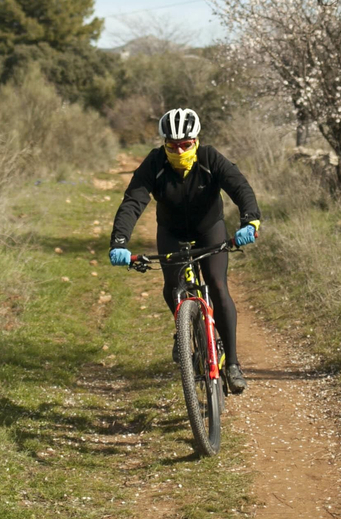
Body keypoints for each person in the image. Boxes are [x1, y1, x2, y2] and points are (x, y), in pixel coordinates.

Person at [108, 107, 260, 394]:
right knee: (172, 286)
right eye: (172, 145)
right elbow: (133, 201)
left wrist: (250, 221)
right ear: (164, 144)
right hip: (172, 232)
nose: (179, 150)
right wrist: (119, 242)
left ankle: (234, 365)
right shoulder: (154, 164)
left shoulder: (209, 158)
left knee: (216, 284)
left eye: (185, 144)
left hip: (209, 230)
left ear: (196, 141)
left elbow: (240, 187)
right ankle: (183, 329)